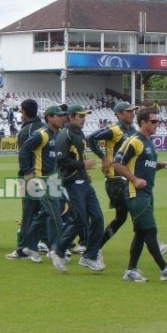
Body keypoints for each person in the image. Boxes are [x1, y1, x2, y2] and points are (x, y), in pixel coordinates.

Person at [88, 102, 167, 255]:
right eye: (128, 111)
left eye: (133, 111)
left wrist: (159, 164)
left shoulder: (134, 131)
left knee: (122, 218)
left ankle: (93, 249)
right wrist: (103, 157)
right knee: (140, 211)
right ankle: (153, 246)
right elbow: (91, 138)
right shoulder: (114, 130)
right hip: (116, 180)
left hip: (125, 180)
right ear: (119, 114)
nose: (132, 113)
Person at [113, 107, 167, 282]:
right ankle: (164, 269)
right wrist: (134, 179)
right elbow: (117, 164)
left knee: (140, 232)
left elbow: (147, 164)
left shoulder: (148, 142)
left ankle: (131, 271)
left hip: (146, 193)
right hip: (135, 193)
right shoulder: (134, 141)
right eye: (153, 121)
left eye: (157, 121)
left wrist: (162, 165)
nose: (157, 124)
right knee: (150, 230)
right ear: (143, 122)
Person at [50, 105, 104, 273]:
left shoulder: (79, 134)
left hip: (83, 182)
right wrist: (82, 165)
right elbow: (61, 161)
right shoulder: (63, 135)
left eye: (84, 116)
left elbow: (78, 156)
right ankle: (58, 251)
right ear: (71, 117)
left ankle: (90, 256)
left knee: (97, 218)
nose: (83, 119)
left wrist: (84, 172)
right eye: (80, 116)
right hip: (71, 183)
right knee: (79, 219)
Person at [13, 105, 67, 263]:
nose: (61, 118)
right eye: (58, 116)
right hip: (40, 180)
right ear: (49, 118)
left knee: (45, 214)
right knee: (54, 214)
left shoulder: (59, 135)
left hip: (53, 180)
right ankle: (58, 249)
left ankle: (29, 246)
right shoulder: (41, 135)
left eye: (62, 116)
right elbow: (24, 151)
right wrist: (27, 171)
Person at [6, 99, 45, 259]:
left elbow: (24, 155)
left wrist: (25, 176)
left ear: (24, 112)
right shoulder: (44, 128)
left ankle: (23, 248)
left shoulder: (26, 131)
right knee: (43, 212)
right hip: (46, 176)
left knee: (28, 213)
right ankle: (40, 244)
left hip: (31, 177)